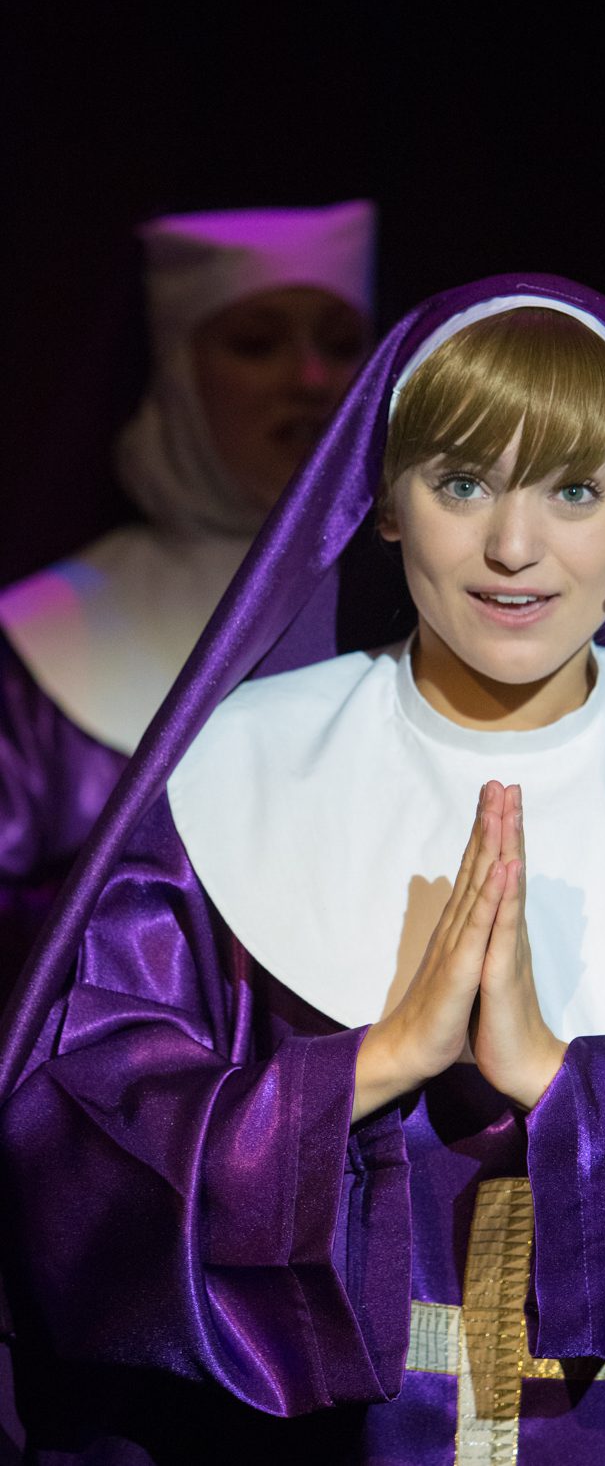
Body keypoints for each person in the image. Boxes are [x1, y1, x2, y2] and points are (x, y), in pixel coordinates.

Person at [0, 274, 605, 1465]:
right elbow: (75, 1156)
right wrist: (371, 1066)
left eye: (574, 490)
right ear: (384, 506)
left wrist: (565, 1083)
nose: (513, 547)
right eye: (459, 484)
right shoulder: (237, 775)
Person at [0, 200, 376, 993]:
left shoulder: (424, 610)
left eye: (342, 347)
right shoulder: (40, 643)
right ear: (176, 369)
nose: (311, 381)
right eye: (256, 343)